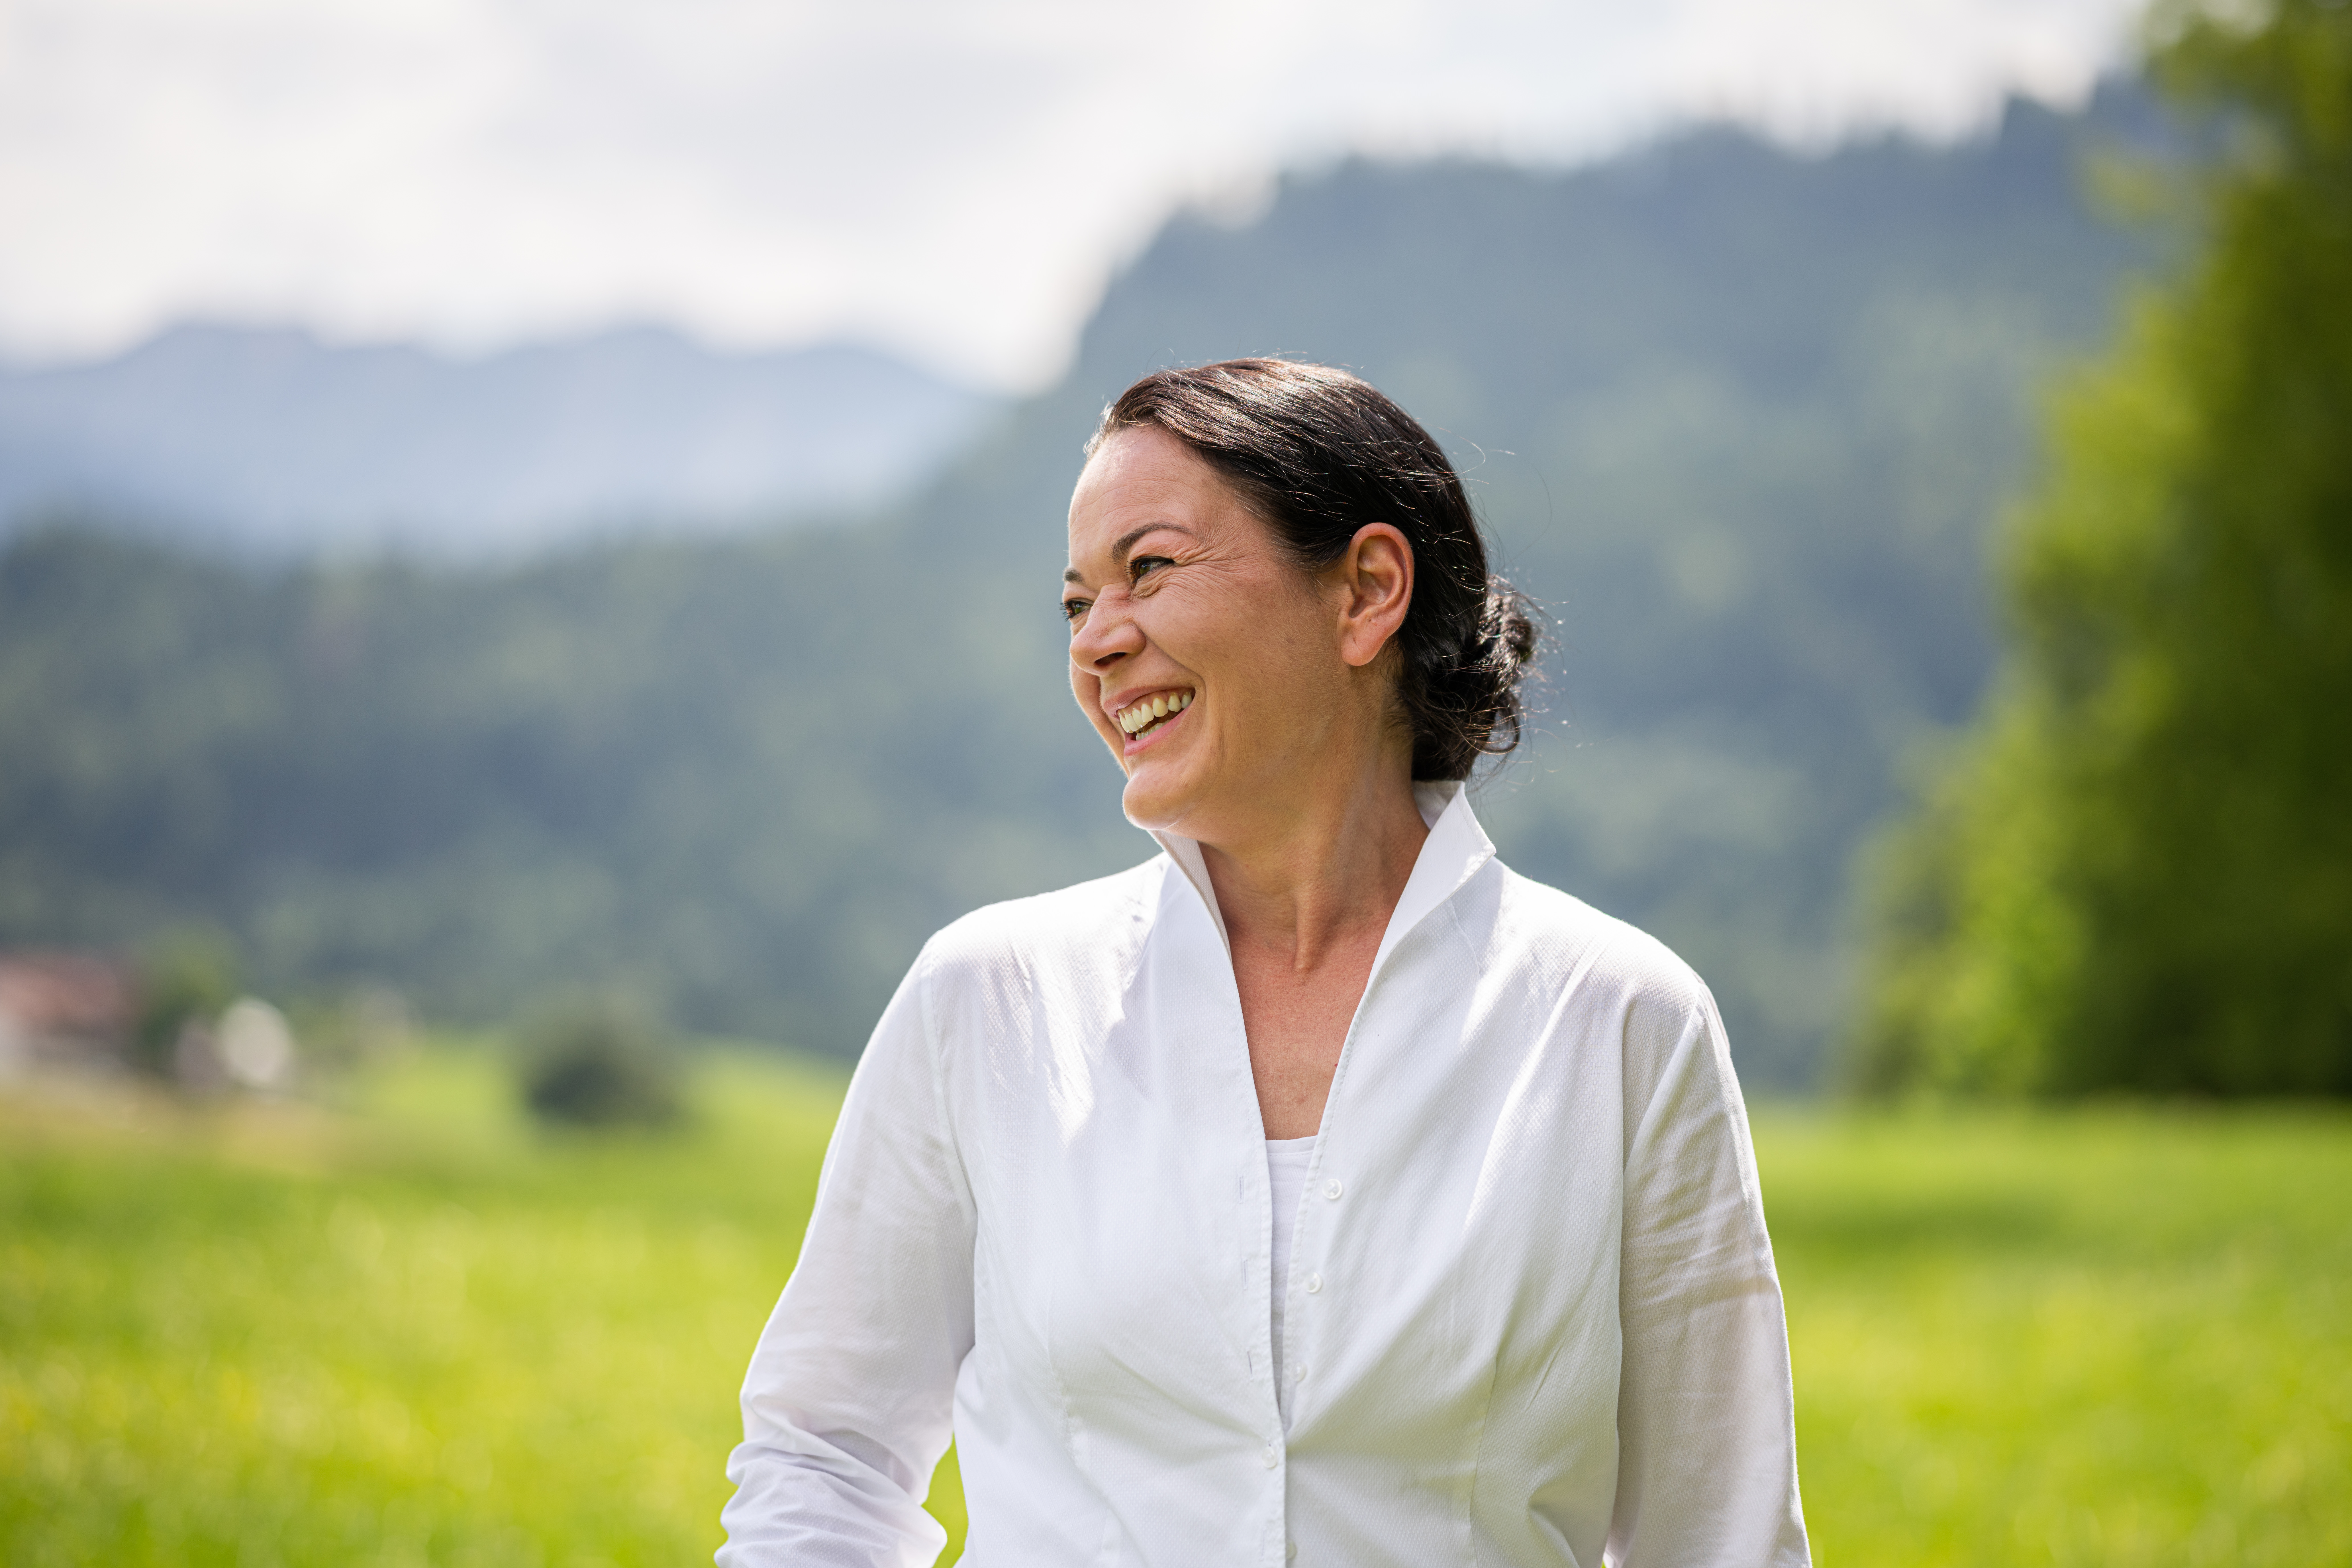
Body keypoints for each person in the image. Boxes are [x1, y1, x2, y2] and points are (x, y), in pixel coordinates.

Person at [718, 359, 1810, 1567]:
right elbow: (824, 1459)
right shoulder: (989, 1000)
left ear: (1366, 591)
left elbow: (1721, 1538)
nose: (1100, 643)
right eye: (1075, 604)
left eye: (1150, 568)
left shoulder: (1620, 1022)